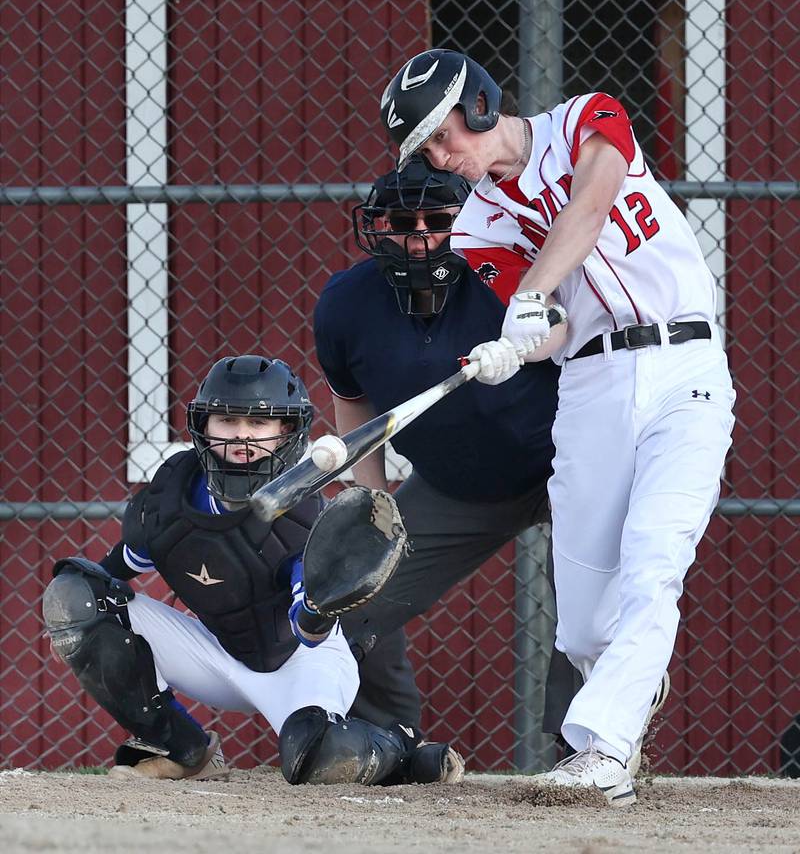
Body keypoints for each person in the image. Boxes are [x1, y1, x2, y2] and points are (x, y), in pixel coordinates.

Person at [379, 49, 736, 805]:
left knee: (652, 562)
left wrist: (532, 294)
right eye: (427, 153)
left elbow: (593, 201)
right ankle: (630, 680)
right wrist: (514, 347)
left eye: (443, 138)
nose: (444, 160)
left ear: (477, 104)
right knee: (582, 627)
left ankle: (602, 753)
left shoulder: (584, 119)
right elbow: (556, 326)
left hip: (684, 366)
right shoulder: (477, 226)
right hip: (593, 385)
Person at [42, 354, 463, 786]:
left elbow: (307, 631)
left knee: (317, 757)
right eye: (226, 419)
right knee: (73, 595)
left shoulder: (304, 513)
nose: (242, 435)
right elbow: (114, 572)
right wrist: (80, 627)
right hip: (216, 652)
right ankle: (182, 749)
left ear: (286, 433)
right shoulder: (171, 498)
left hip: (297, 660)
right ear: (203, 426)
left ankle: (400, 750)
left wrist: (319, 608)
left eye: (259, 424)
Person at [314, 155, 580, 744]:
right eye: (401, 224)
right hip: (455, 485)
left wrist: (527, 343)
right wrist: (371, 498)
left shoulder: (502, 270)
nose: (420, 239)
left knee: (589, 611)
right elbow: (353, 401)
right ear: (374, 227)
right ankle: (385, 741)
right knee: (355, 595)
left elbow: (561, 325)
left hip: (560, 466)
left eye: (438, 220)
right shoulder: (347, 303)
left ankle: (583, 748)